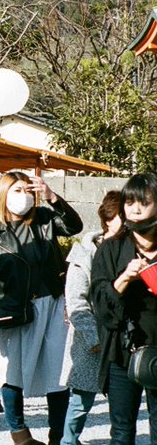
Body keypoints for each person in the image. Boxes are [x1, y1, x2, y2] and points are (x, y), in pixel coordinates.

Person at [0, 170, 82, 445]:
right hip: (12, 308)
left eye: (27, 190)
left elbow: (74, 226)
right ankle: (19, 434)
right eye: (16, 190)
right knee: (11, 373)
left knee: (57, 372)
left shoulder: (44, 220)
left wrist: (52, 197)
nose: (23, 196)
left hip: (51, 303)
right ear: (3, 193)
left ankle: (58, 435)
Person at [91, 172, 157, 445]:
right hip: (123, 350)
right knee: (121, 432)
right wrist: (124, 279)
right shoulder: (111, 249)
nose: (136, 207)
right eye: (130, 201)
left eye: (144, 201)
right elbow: (100, 304)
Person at [59, 190, 120, 445]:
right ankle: (68, 441)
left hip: (121, 338)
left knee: (121, 402)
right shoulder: (84, 254)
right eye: (121, 217)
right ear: (107, 219)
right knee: (80, 402)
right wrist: (93, 337)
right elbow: (76, 301)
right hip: (91, 338)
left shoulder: (138, 250)